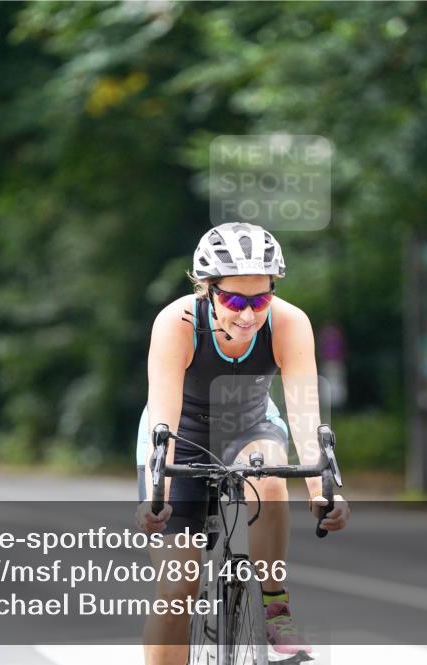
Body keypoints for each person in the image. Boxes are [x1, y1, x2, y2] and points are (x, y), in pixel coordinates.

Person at [134, 222, 350, 665]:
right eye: (233, 300)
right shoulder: (176, 323)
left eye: (260, 299)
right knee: (177, 590)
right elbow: (164, 418)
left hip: (252, 426)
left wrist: (322, 493)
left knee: (269, 469)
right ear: (207, 289)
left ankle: (275, 606)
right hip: (181, 435)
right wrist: (157, 495)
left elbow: (305, 414)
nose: (248, 315)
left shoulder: (289, 323)